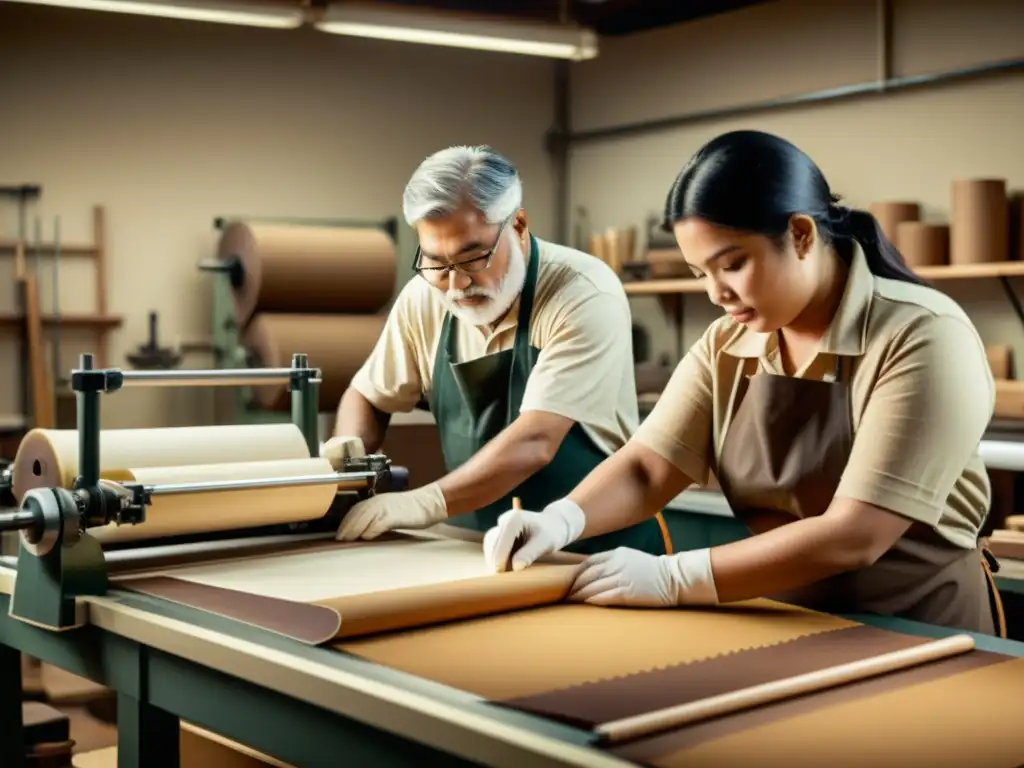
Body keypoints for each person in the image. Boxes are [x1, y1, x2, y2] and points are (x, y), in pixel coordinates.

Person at [482, 129, 1006, 636]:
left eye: (731, 265)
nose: (717, 293)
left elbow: (856, 534)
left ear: (801, 234)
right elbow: (647, 468)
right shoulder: (727, 344)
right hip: (789, 623)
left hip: (921, 633)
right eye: (699, 273)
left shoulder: (922, 334)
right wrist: (560, 521)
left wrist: (673, 578)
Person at [332, 145, 672, 557]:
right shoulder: (425, 298)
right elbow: (368, 396)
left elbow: (536, 441)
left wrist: (426, 502)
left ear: (519, 225)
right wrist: (348, 457)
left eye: (472, 257)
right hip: (478, 547)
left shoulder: (582, 292)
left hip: (594, 551)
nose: (456, 285)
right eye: (437, 263)